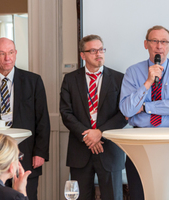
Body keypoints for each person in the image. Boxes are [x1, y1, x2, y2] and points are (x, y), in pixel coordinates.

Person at [0, 37, 50, 200]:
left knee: (27, 195)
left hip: (26, 153)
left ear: (16, 53)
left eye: (11, 53)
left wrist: (40, 152)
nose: (7, 58)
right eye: (2, 53)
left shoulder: (33, 81)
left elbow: (43, 119)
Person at [119, 25, 169, 200]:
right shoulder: (133, 72)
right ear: (146, 44)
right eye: (155, 41)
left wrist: (144, 107)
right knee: (139, 193)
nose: (159, 46)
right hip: (140, 140)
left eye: (164, 41)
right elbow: (127, 109)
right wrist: (148, 82)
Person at [60, 34, 127, 200]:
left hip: (109, 150)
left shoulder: (119, 79)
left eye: (101, 49)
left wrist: (100, 132)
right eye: (93, 51)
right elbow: (66, 113)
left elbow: (124, 113)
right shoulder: (70, 79)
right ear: (82, 55)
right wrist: (88, 135)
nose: (99, 54)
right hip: (80, 151)